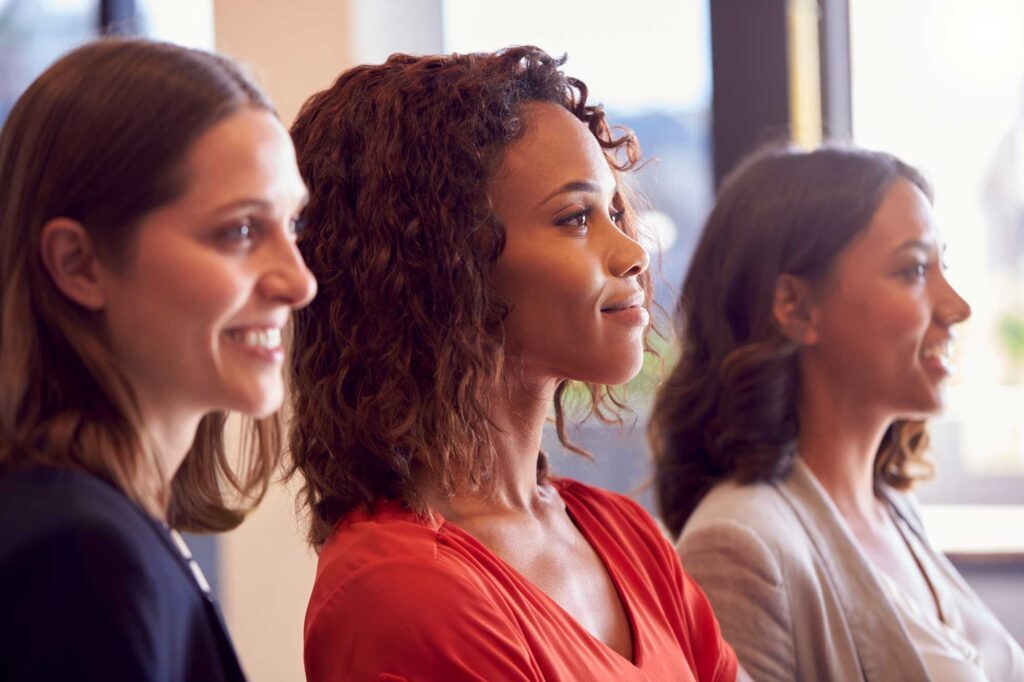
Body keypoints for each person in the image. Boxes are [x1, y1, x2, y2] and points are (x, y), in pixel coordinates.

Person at [288, 46, 739, 681]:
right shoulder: (400, 590)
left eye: (614, 211)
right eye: (575, 217)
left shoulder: (624, 535)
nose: (634, 251)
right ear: (444, 267)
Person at [0, 39, 316, 680]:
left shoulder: (108, 526)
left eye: (293, 226)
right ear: (78, 264)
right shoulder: (77, 558)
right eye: (240, 230)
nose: (298, 281)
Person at [651, 145, 1024, 681]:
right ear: (795, 307)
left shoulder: (890, 506)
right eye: (915, 269)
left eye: (944, 265)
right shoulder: (738, 543)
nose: (957, 306)